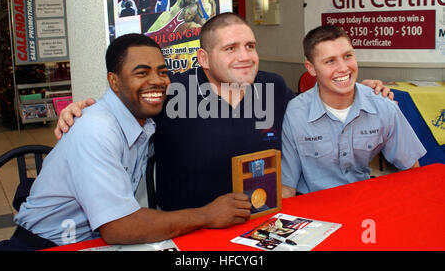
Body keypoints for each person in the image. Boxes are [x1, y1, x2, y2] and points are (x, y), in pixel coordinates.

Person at [54, 13, 393, 212]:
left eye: (250, 46)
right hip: (189, 230)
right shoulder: (173, 92)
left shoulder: (273, 87)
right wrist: (81, 109)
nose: (245, 56)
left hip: (265, 222)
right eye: (230, 48)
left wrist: (362, 90)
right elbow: (123, 112)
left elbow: (317, 109)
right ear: (203, 59)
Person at [0, 33, 250, 251]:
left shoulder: (145, 116)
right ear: (114, 81)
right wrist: (207, 215)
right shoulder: (96, 127)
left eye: (162, 72)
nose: (157, 81)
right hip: (44, 244)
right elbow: (119, 227)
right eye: (142, 73)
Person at [281, 25, 426, 197]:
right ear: (311, 68)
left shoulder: (382, 105)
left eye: (347, 56)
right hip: (312, 208)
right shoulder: (295, 113)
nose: (343, 68)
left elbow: (411, 169)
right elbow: (287, 187)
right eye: (330, 61)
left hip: (363, 202)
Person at [146, 0, 216, 38]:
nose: (188, 16)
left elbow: (207, 28)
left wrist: (213, 8)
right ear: (186, 7)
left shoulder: (192, 21)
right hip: (153, 32)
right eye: (188, 13)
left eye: (191, 16)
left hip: (164, 44)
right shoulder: (180, 4)